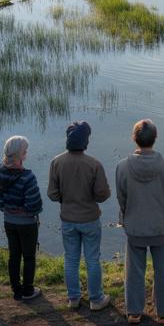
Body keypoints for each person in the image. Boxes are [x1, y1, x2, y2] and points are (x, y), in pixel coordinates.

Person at [116, 119, 164, 324]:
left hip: (135, 227)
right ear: (155, 138)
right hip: (162, 226)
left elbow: (122, 198)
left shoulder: (122, 167)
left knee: (134, 270)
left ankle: (134, 312)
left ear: (134, 139)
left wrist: (127, 218)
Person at [47, 120, 112, 311]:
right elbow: (103, 195)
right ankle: (96, 299)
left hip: (68, 218)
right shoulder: (94, 164)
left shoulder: (56, 162)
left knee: (71, 259)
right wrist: (90, 195)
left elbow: (52, 194)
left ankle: (73, 298)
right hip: (90, 219)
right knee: (92, 259)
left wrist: (65, 198)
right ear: (86, 141)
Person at [0, 135, 43, 302]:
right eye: (25, 151)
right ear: (20, 154)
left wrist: (7, 209)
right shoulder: (27, 177)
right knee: (28, 257)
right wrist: (33, 212)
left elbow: (0, 198)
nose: (27, 153)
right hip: (27, 223)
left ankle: (16, 290)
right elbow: (34, 204)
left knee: (14, 256)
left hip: (9, 221)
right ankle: (28, 290)